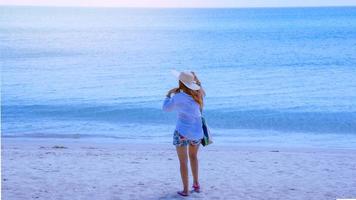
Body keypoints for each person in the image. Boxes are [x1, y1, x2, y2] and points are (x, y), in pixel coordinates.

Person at [162, 70, 205, 197]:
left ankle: (185, 190)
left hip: (182, 132)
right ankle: (196, 184)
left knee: (183, 162)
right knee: (193, 157)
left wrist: (168, 95)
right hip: (197, 132)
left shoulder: (178, 96)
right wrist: (194, 79)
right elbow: (199, 87)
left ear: (180, 82)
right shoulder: (199, 94)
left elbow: (166, 108)